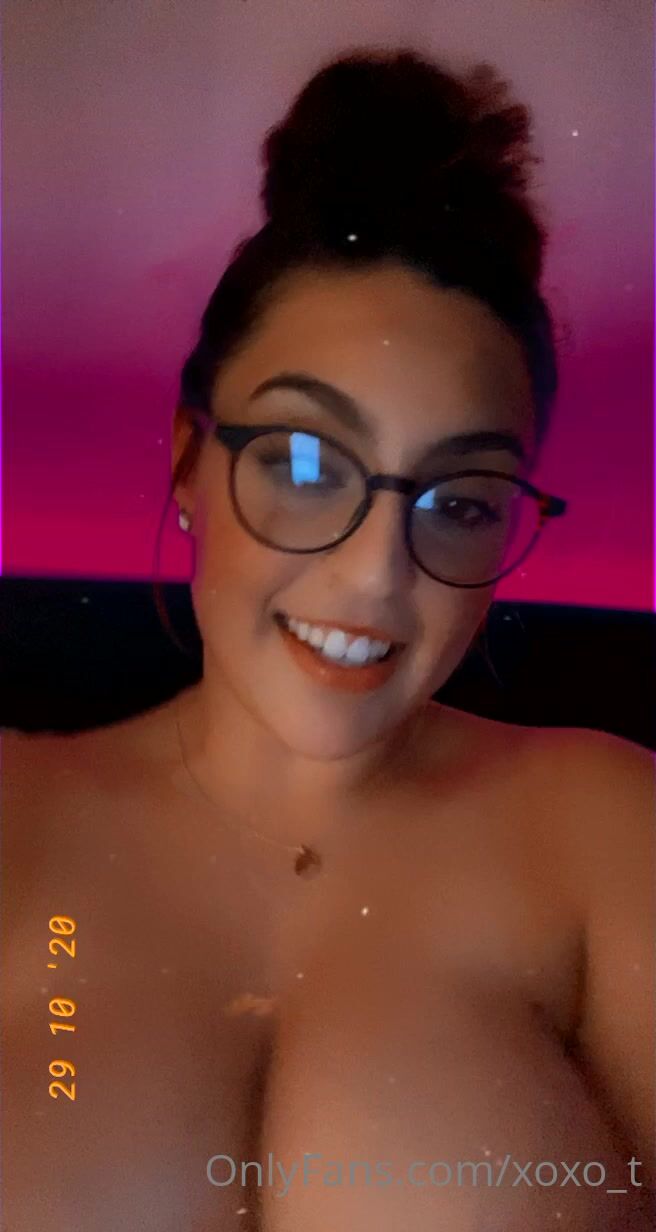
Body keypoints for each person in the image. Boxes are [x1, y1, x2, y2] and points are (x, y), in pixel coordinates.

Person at [2, 47, 653, 1232]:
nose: (375, 573)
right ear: (190, 460)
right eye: (306, 464)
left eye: (460, 501)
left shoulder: (608, 829)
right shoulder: (16, 814)